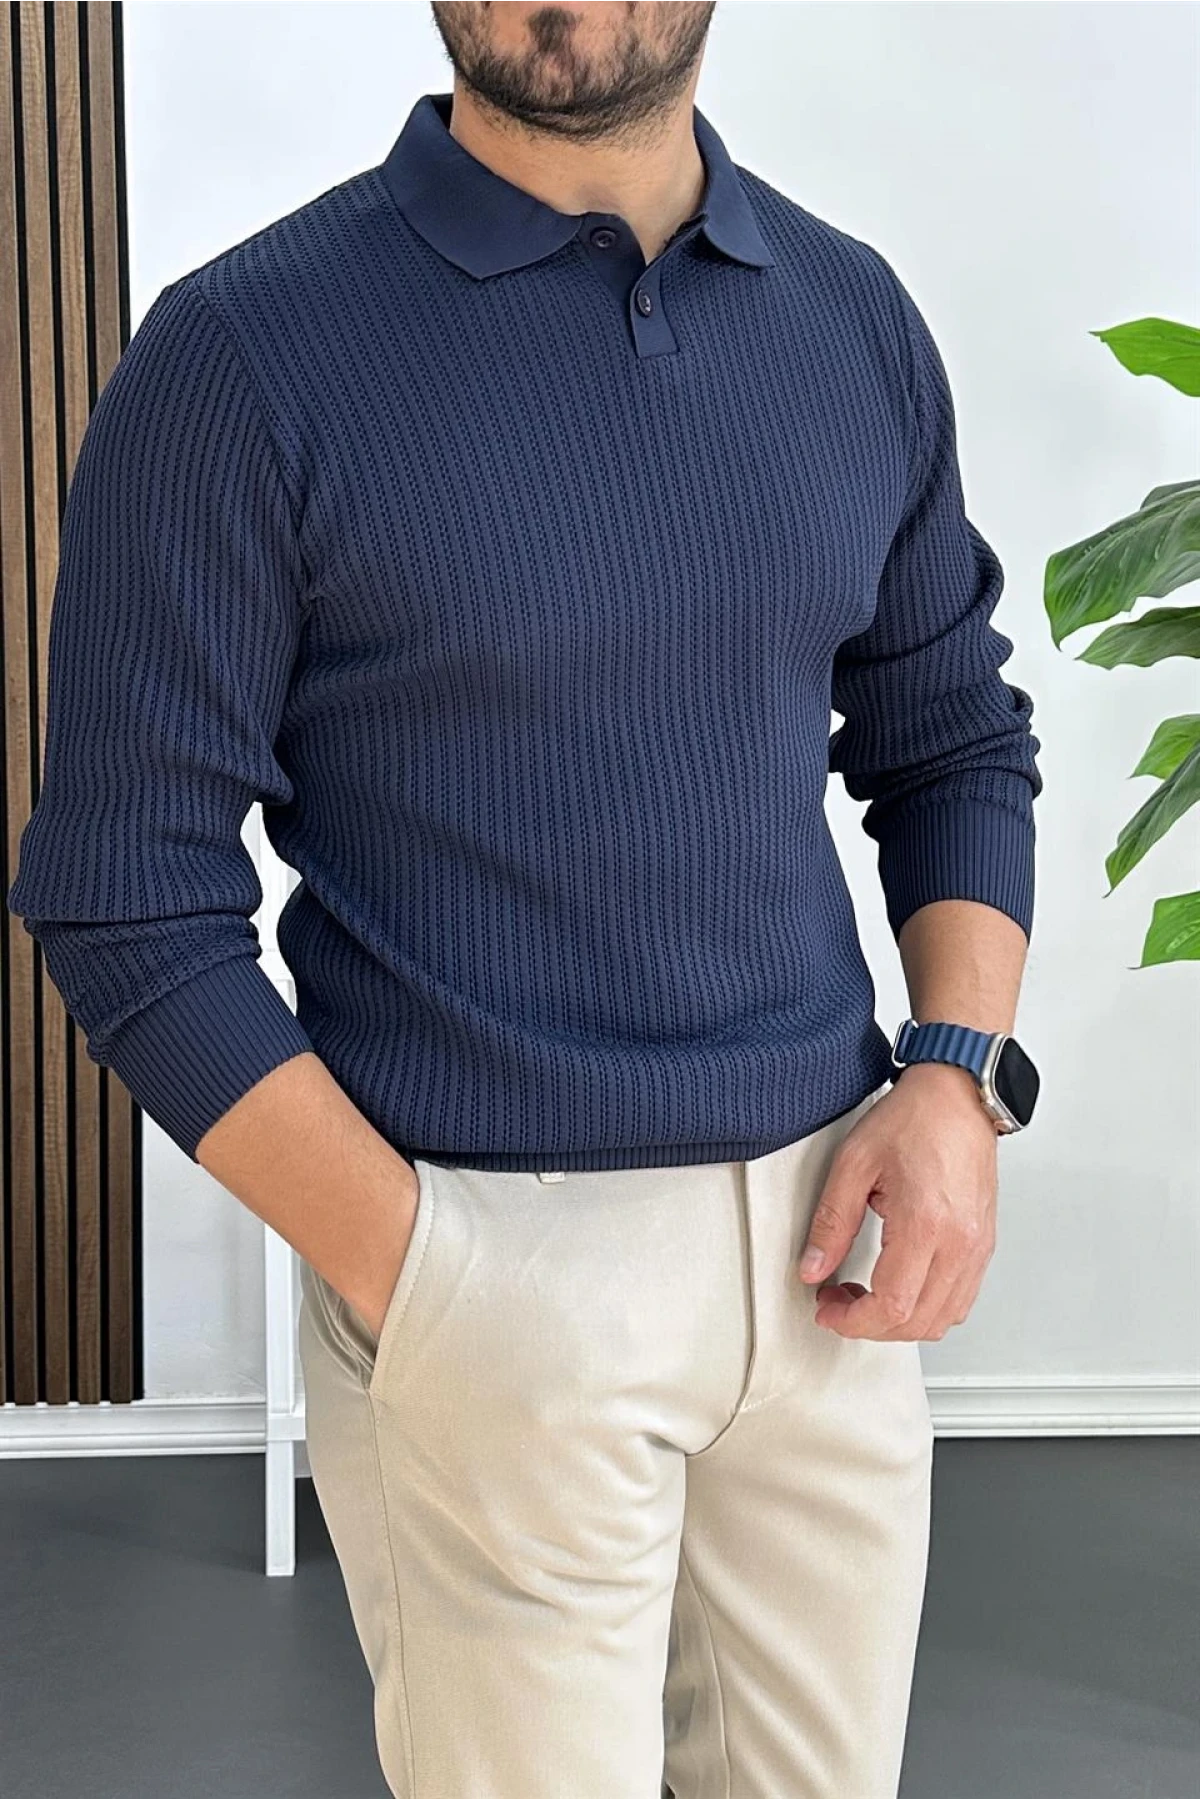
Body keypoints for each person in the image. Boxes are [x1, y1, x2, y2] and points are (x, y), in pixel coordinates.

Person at [7, 2, 1043, 1795]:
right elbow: (124, 896)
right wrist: (422, 1274)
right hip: (488, 1255)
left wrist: (956, 1079)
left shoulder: (850, 316)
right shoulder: (241, 354)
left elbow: (949, 736)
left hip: (829, 1261)